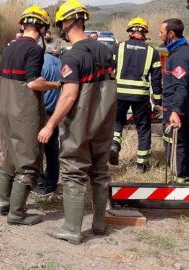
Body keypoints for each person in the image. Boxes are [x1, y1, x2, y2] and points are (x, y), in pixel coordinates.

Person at [38, 0, 116, 244]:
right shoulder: (106, 51)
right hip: (104, 122)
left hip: (79, 124)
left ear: (68, 22)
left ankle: (72, 229)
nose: (60, 27)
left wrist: (50, 125)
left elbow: (70, 95)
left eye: (61, 22)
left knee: (74, 171)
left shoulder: (72, 56)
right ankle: (100, 224)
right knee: (100, 171)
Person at [0, 5, 60, 226]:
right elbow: (33, 82)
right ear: (42, 28)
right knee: (29, 162)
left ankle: (3, 203)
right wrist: (55, 85)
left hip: (6, 108)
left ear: (23, 25)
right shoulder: (34, 50)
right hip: (24, 113)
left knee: (10, 156)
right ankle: (17, 213)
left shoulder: (9, 48)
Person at [109, 18, 162, 173]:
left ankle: (114, 144)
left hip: (119, 93)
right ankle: (141, 165)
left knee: (117, 122)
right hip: (140, 96)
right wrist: (158, 101)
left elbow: (110, 72)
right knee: (143, 128)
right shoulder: (153, 52)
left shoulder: (118, 48)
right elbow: (157, 81)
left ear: (130, 31)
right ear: (144, 32)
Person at [159, 18, 189, 183]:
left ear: (171, 34)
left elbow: (181, 86)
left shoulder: (179, 57)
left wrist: (175, 111)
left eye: (162, 32)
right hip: (176, 106)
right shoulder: (177, 52)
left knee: (177, 142)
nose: (159, 35)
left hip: (177, 109)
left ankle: (179, 178)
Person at [33, 53, 62, 196]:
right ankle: (51, 182)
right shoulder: (61, 63)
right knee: (52, 149)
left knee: (36, 148)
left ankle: (38, 183)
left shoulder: (39, 62)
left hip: (41, 111)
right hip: (55, 112)